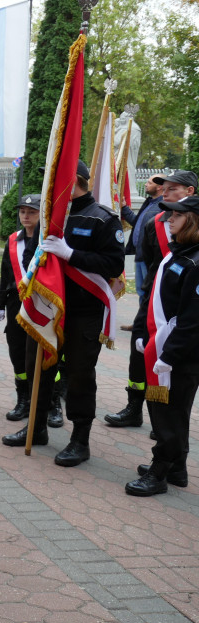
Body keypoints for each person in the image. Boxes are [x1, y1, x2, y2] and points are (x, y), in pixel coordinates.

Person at [1, 160, 125, 465]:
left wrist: (71, 255)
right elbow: (31, 254)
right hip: (47, 310)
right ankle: (36, 426)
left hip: (83, 311)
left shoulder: (102, 218)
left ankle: (80, 440)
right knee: (37, 369)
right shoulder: (51, 215)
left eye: (54, 179)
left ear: (74, 180)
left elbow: (113, 265)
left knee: (80, 375)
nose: (49, 185)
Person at [108, 171, 194, 429]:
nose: (165, 193)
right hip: (155, 300)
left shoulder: (195, 224)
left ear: (189, 191)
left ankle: (165, 423)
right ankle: (135, 406)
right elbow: (150, 263)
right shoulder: (154, 223)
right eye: (163, 189)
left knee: (174, 362)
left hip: (186, 304)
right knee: (139, 350)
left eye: (172, 189)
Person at [125, 195, 199, 496]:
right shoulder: (177, 254)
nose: (169, 219)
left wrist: (169, 355)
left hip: (181, 354)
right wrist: (143, 332)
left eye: (176, 216)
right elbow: (153, 297)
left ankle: (159, 472)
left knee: (169, 414)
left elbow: (193, 320)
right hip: (164, 347)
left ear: (192, 222)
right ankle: (177, 468)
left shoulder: (194, 261)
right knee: (171, 411)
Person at [0, 194, 41, 421]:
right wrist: (0, 304)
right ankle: (23, 399)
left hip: (42, 304)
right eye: (23, 211)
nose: (26, 216)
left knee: (42, 354)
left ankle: (50, 403)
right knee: (17, 351)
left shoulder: (47, 240)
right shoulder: (13, 239)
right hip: (16, 303)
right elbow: (5, 273)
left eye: (31, 212)